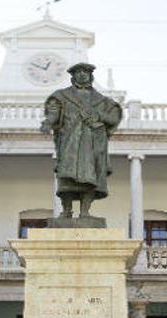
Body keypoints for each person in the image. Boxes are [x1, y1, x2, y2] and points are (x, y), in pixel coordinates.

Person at [40, 63, 123, 219]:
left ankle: (85, 212)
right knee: (66, 177)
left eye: (86, 72)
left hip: (93, 143)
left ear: (91, 76)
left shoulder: (103, 101)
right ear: (73, 77)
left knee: (91, 178)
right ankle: (66, 211)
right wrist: (48, 122)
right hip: (70, 142)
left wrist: (100, 116)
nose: (83, 75)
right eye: (79, 72)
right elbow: (53, 112)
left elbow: (114, 117)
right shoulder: (61, 96)